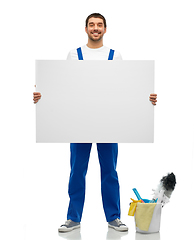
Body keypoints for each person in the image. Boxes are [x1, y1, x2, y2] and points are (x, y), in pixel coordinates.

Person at [33, 13, 157, 232]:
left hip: (108, 124)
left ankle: (114, 218)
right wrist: (43, 97)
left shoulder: (114, 55)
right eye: (92, 25)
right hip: (78, 124)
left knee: (109, 172)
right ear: (86, 29)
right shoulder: (74, 54)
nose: (95, 28)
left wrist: (145, 99)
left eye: (99, 25)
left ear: (105, 29)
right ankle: (73, 218)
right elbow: (64, 87)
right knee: (77, 172)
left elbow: (124, 88)